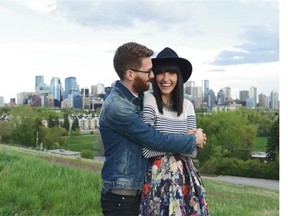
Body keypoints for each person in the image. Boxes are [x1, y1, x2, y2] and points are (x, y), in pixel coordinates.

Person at [99, 42, 207, 216]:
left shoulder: (136, 99)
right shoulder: (118, 107)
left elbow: (189, 150)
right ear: (130, 73)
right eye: (149, 71)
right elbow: (153, 140)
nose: (152, 75)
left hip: (137, 190)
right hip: (122, 195)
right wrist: (192, 139)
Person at [139, 47, 209, 215]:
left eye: (171, 73)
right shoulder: (150, 100)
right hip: (157, 178)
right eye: (161, 73)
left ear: (179, 77)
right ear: (154, 76)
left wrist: (185, 142)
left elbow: (192, 152)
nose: (166, 79)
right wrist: (186, 140)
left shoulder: (187, 106)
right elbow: (147, 149)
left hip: (184, 177)